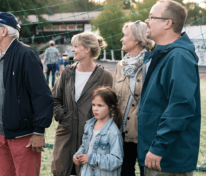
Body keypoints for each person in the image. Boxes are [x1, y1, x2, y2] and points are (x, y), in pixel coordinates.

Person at [0, 12, 54, 176]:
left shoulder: (26, 54)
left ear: (4, 31)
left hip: (24, 137)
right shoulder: (0, 56)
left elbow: (43, 96)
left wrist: (39, 131)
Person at [138, 0, 201, 175]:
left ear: (168, 23)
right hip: (155, 155)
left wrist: (159, 146)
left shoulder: (178, 57)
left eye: (151, 17)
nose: (147, 21)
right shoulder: (165, 54)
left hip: (167, 160)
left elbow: (181, 106)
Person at [51, 31, 113, 176]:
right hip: (65, 133)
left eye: (75, 46)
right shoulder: (66, 73)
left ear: (87, 49)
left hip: (93, 139)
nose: (72, 50)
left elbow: (111, 107)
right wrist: (63, 116)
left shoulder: (105, 76)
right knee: (60, 170)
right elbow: (54, 99)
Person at [113, 20, 154, 176]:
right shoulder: (120, 65)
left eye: (125, 36)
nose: (122, 39)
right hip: (121, 132)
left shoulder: (153, 64)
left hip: (144, 132)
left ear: (137, 39)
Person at [73, 86, 123, 176]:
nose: (95, 108)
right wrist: (78, 155)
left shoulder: (113, 132)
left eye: (100, 105)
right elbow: (84, 146)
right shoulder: (89, 126)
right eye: (93, 105)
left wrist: (91, 159)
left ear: (111, 107)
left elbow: (117, 160)